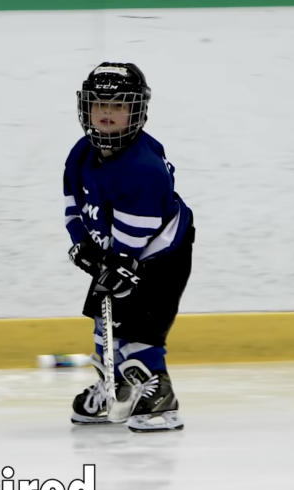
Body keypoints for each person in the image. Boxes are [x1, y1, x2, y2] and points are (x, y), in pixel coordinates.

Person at [62, 62, 195, 432]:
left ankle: (158, 396)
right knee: (103, 322)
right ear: (85, 107)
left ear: (137, 110)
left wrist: (115, 263)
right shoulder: (80, 155)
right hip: (118, 250)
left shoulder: (143, 168)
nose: (107, 113)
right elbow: (75, 207)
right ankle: (115, 387)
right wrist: (83, 246)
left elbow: (133, 242)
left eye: (119, 105)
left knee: (138, 326)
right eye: (100, 104)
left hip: (161, 255)